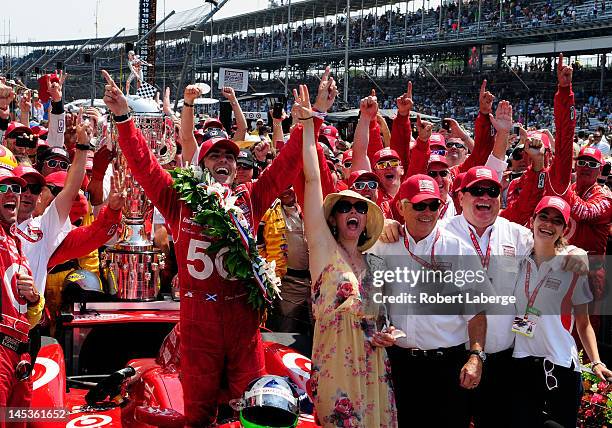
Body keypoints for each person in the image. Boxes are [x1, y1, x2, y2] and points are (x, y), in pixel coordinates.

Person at [101, 69, 317, 426]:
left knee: (251, 411)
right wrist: (124, 118)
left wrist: (309, 122)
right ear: (202, 166)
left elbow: (283, 169)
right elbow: (143, 165)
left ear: (237, 167)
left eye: (230, 157)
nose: (224, 161)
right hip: (198, 327)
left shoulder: (250, 200)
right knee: (197, 416)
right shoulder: (179, 200)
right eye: (215, 156)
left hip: (243, 328)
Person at [296, 83, 396, 427]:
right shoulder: (323, 252)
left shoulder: (376, 262)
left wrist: (386, 333)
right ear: (335, 217)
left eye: (360, 207)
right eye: (345, 207)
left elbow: (380, 321)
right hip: (335, 374)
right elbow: (311, 180)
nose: (353, 211)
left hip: (373, 371)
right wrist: (312, 123)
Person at [369, 174, 487, 427]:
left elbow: (477, 313)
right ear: (401, 206)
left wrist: (476, 357)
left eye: (434, 205)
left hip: (447, 367)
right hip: (400, 366)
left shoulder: (460, 250)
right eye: (419, 205)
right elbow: (371, 299)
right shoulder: (384, 245)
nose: (427, 212)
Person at [511, 196, 612, 428]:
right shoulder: (518, 260)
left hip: (559, 367)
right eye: (543, 217)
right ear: (532, 220)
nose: (548, 224)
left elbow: (583, 323)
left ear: (565, 229)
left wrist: (596, 361)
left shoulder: (572, 266)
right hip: (520, 363)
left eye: (557, 221)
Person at [0, 168, 45, 427]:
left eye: (15, 188)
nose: (13, 194)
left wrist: (35, 297)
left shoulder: (17, 240)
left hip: (22, 355)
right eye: (2, 188)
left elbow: (33, 316)